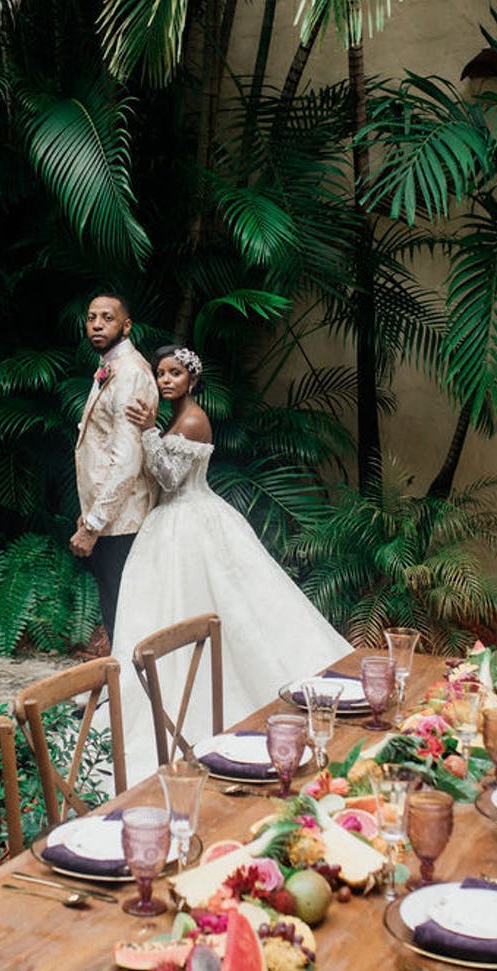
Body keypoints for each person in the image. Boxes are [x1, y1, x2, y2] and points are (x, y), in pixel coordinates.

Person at [109, 345, 352, 780]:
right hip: (172, 523)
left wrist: (147, 432)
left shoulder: (193, 419)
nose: (166, 381)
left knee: (220, 608)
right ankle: (166, 699)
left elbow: (169, 478)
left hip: (189, 518)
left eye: (175, 374)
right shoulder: (176, 419)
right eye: (161, 374)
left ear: (193, 380)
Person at [71, 293, 159, 643]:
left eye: (106, 318)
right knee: (115, 612)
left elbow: (126, 460)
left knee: (123, 613)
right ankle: (124, 691)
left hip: (122, 520)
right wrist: (90, 514)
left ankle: (130, 694)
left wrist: (93, 524)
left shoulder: (131, 373)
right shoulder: (111, 367)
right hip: (109, 516)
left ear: (126, 326)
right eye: (91, 317)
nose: (96, 325)